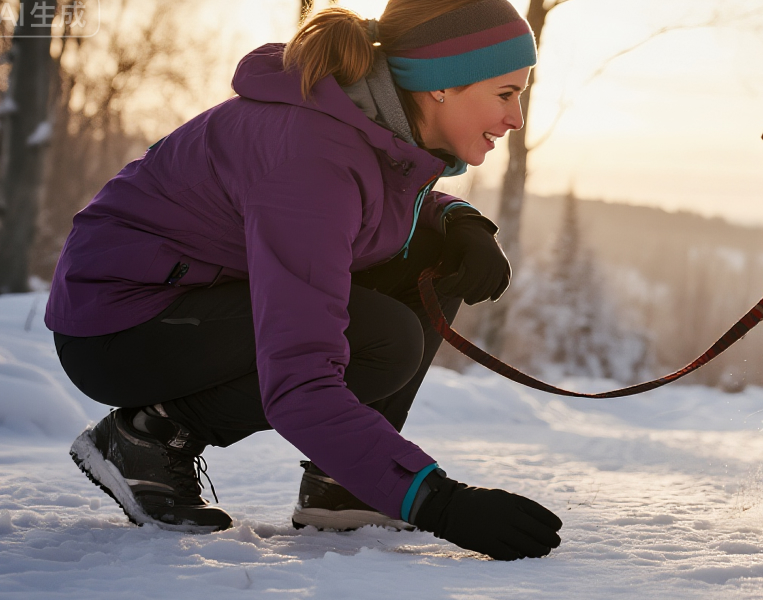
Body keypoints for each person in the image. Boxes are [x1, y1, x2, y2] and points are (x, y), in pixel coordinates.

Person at [45, 0, 563, 561]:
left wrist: (454, 217)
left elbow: (367, 197)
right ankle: (147, 437)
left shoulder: (363, 122)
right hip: (122, 324)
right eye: (506, 93)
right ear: (442, 84)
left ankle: (343, 488)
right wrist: (435, 501)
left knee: (436, 257)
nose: (516, 119)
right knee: (383, 338)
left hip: (196, 296)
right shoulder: (308, 152)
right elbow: (300, 379)